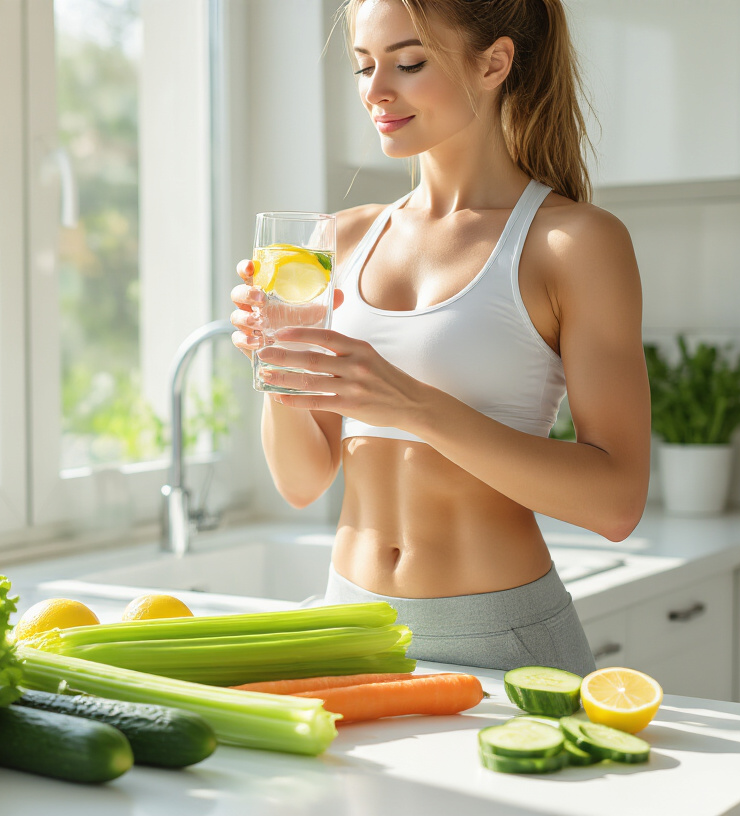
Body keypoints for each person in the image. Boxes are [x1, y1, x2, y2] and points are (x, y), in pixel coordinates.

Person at [229, 0, 649, 675]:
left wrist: (413, 407)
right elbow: (303, 482)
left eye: (409, 62)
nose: (376, 91)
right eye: (365, 67)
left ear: (495, 62)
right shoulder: (341, 237)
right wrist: (280, 370)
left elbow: (617, 501)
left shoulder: (574, 243)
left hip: (500, 640)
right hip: (353, 629)